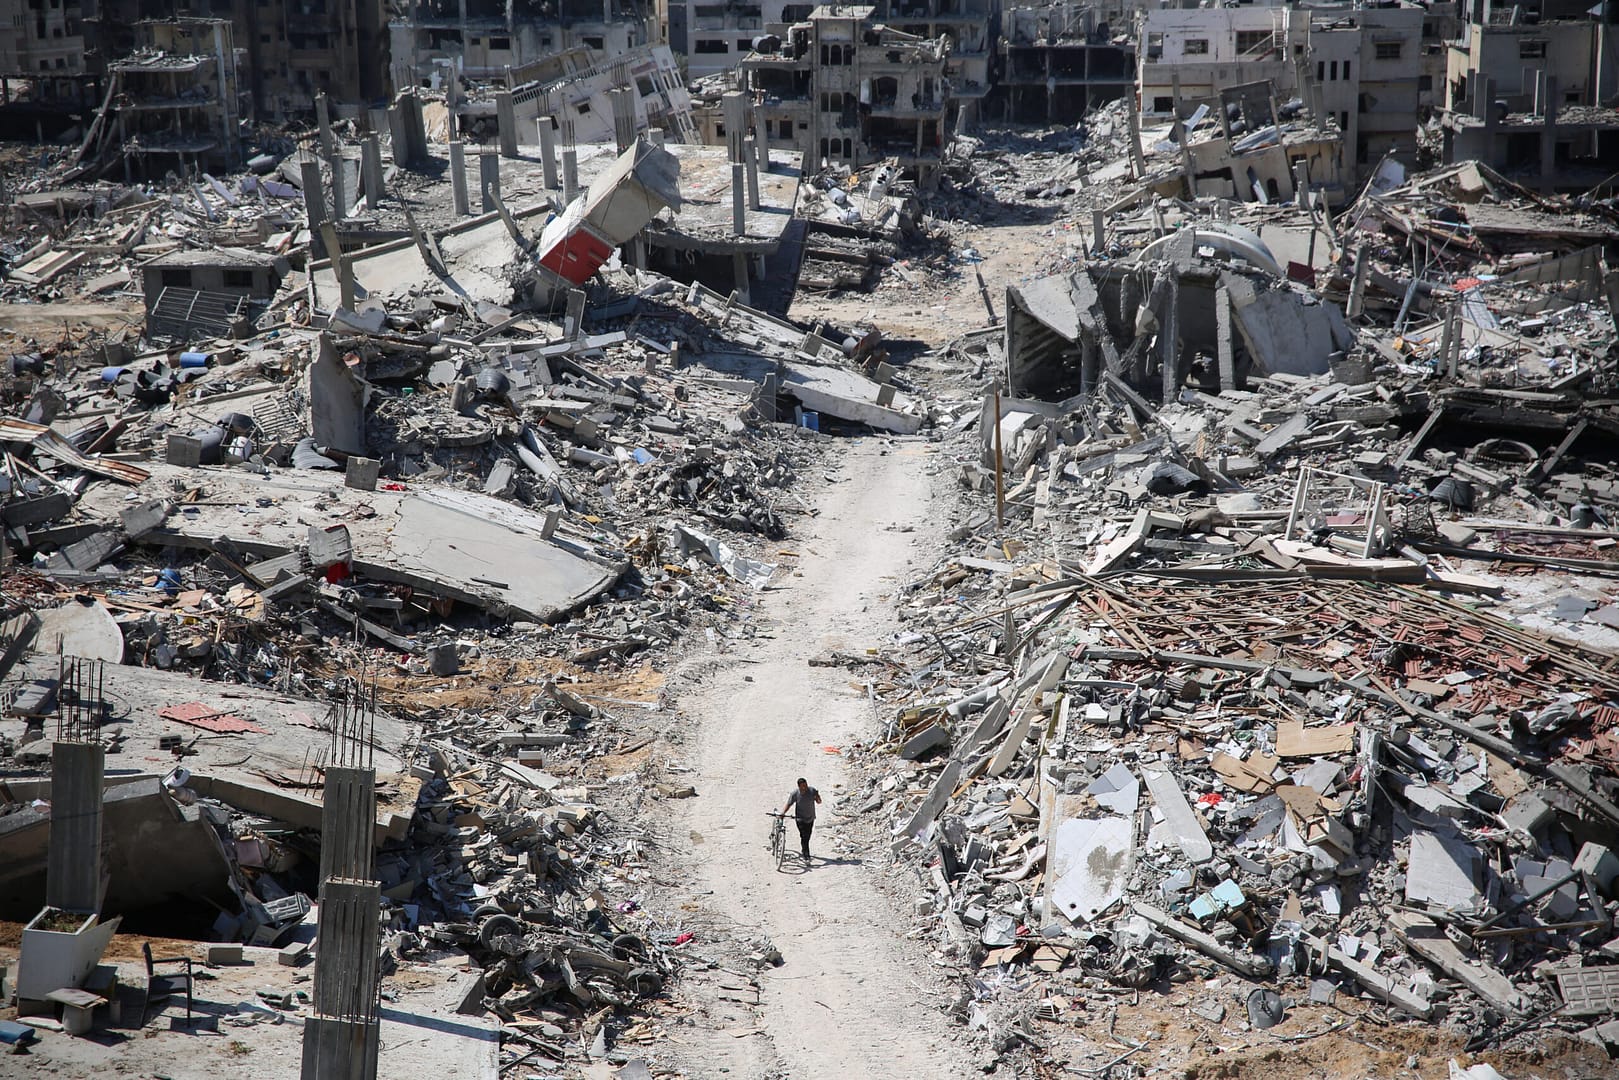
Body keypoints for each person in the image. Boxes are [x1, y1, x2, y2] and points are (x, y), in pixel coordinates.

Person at [781, 777, 822, 862]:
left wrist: (817, 796)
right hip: (800, 818)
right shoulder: (795, 793)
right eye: (803, 786)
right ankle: (806, 855)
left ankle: (804, 849)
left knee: (808, 835)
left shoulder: (812, 790)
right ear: (799, 786)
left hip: (810, 818)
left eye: (806, 785)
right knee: (804, 836)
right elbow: (789, 804)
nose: (805, 787)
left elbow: (819, 802)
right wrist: (783, 813)